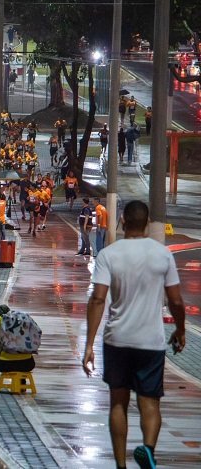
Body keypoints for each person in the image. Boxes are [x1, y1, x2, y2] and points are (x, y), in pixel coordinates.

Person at [83, 200, 185, 469]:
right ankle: (148, 449)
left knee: (118, 401)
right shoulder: (162, 254)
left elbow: (97, 299)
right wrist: (180, 329)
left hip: (117, 339)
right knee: (150, 402)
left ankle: (120, 465)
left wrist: (89, 344)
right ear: (148, 222)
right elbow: (175, 300)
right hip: (151, 341)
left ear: (124, 222)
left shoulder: (109, 254)